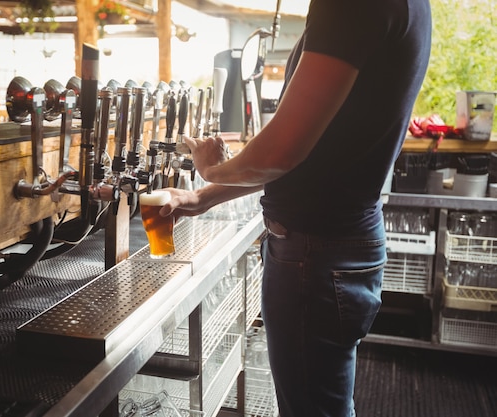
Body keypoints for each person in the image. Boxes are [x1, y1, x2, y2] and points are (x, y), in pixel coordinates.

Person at [160, 1, 432, 416]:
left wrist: (212, 168)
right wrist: (204, 195)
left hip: (315, 256)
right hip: (336, 245)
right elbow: (313, 155)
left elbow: (283, 152)